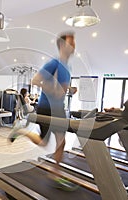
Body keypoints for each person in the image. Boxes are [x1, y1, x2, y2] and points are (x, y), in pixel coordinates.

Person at [8, 31, 77, 190]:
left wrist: (70, 89)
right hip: (47, 108)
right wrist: (54, 89)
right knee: (44, 142)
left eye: (74, 43)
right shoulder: (54, 63)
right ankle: (21, 131)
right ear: (62, 45)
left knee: (61, 142)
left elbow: (61, 89)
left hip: (58, 108)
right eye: (70, 43)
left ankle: (55, 173)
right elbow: (36, 80)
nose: (73, 46)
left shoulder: (67, 67)